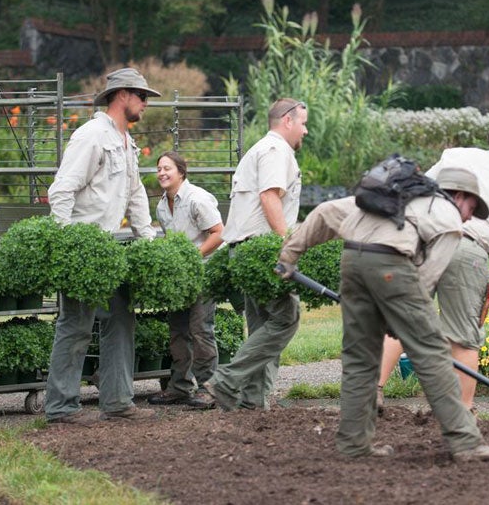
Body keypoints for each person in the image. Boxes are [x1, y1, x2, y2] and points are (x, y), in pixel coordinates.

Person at [275, 165, 489, 461]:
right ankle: (466, 442)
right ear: (460, 196)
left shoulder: (393, 197)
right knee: (432, 351)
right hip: (391, 264)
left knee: (361, 358)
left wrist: (289, 256)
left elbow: (324, 212)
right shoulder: (449, 218)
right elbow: (427, 279)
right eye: (472, 208)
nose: (468, 217)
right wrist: (401, 318)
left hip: (352, 260)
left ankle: (354, 445)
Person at [376, 124, 489, 413]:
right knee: (463, 336)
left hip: (423, 238)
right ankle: (460, 411)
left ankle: (374, 390)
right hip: (466, 249)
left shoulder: (458, 156)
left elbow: (418, 189)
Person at [44, 67, 161, 425]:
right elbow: (62, 190)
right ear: (122, 95)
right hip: (83, 246)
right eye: (142, 96)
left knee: (121, 320)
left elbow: (135, 193)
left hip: (111, 247)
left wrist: (147, 238)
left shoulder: (126, 142)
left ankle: (117, 400)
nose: (145, 104)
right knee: (76, 325)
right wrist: (66, 245)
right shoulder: (91, 136)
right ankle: (62, 408)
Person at [207, 98, 307, 410]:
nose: (305, 131)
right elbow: (269, 197)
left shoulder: (259, 149)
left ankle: (253, 401)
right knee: (286, 319)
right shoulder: (276, 150)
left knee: (263, 325)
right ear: (287, 121)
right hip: (261, 251)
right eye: (303, 123)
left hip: (245, 251)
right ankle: (226, 381)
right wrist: (286, 245)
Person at [146, 151, 224, 409]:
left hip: (202, 272)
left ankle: (209, 389)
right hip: (180, 278)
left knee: (201, 331)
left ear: (181, 171)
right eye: (159, 169)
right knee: (178, 331)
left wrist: (191, 257)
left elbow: (219, 233)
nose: (161, 173)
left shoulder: (196, 199)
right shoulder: (161, 205)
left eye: (167, 168)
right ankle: (179, 387)